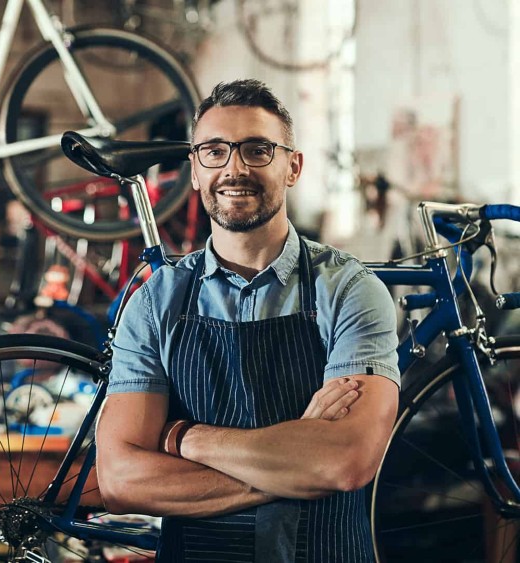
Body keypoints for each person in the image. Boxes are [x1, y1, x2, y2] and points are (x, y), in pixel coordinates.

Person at [96, 79, 399, 562]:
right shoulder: (156, 303)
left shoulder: (349, 291)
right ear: (194, 170)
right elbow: (120, 480)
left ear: (293, 166)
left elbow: (344, 462)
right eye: (215, 151)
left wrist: (183, 437)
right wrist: (295, 468)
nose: (235, 168)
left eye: (258, 150)